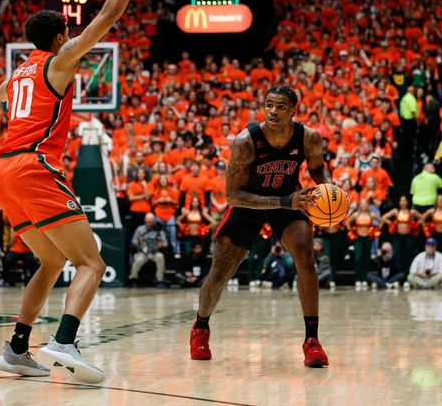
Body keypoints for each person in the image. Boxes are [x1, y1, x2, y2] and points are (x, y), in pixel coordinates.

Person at [0, 0, 160, 383]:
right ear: (61, 34)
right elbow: (108, 14)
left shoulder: (19, 71)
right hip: (32, 166)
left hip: (1, 170)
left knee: (50, 261)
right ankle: (64, 341)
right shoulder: (59, 60)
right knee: (92, 262)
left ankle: (17, 348)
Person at [190, 85, 331, 368]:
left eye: (280, 106)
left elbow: (317, 169)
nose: (273, 111)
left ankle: (312, 340)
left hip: (289, 201)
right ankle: (200, 327)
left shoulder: (309, 138)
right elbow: (233, 195)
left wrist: (329, 188)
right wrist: (283, 202)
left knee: (305, 253)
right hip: (249, 205)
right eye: (268, 104)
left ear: (293, 111)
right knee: (218, 275)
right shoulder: (245, 142)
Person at [380, 195, 421, 277]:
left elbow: (422, 218)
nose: (403, 202)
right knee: (397, 255)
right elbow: (383, 217)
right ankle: (397, 276)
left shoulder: (411, 211)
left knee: (408, 255)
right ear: (399, 202)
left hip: (408, 237)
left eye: (404, 200)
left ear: (407, 202)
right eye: (401, 201)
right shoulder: (396, 211)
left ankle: (407, 276)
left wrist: (415, 225)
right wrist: (390, 223)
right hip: (398, 237)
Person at [128, 213, 168, 288]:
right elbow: (133, 242)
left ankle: (159, 280)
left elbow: (165, 243)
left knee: (160, 257)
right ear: (144, 221)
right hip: (142, 252)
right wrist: (139, 242)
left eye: (151, 222)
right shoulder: (140, 229)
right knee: (138, 260)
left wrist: (161, 244)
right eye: (147, 222)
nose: (149, 224)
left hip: (154, 252)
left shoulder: (158, 229)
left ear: (154, 221)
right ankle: (133, 278)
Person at [348, 197, 379, 289]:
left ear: (367, 205)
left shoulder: (371, 214)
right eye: (362, 203)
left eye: (365, 203)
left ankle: (365, 279)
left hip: (368, 238)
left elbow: (380, 221)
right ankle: (358, 279)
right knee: (358, 258)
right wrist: (352, 231)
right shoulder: (356, 215)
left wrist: (375, 231)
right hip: (358, 239)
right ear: (360, 205)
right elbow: (347, 222)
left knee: (366, 258)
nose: (364, 205)